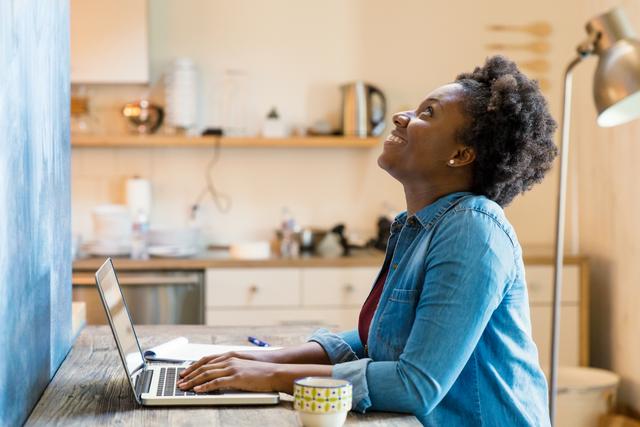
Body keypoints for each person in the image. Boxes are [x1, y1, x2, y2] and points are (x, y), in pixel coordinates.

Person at [177, 55, 557, 425]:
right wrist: (263, 359)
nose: (401, 115)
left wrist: (272, 378)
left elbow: (415, 384)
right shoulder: (417, 227)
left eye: (428, 113)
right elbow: (377, 342)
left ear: (460, 154)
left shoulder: (473, 229)